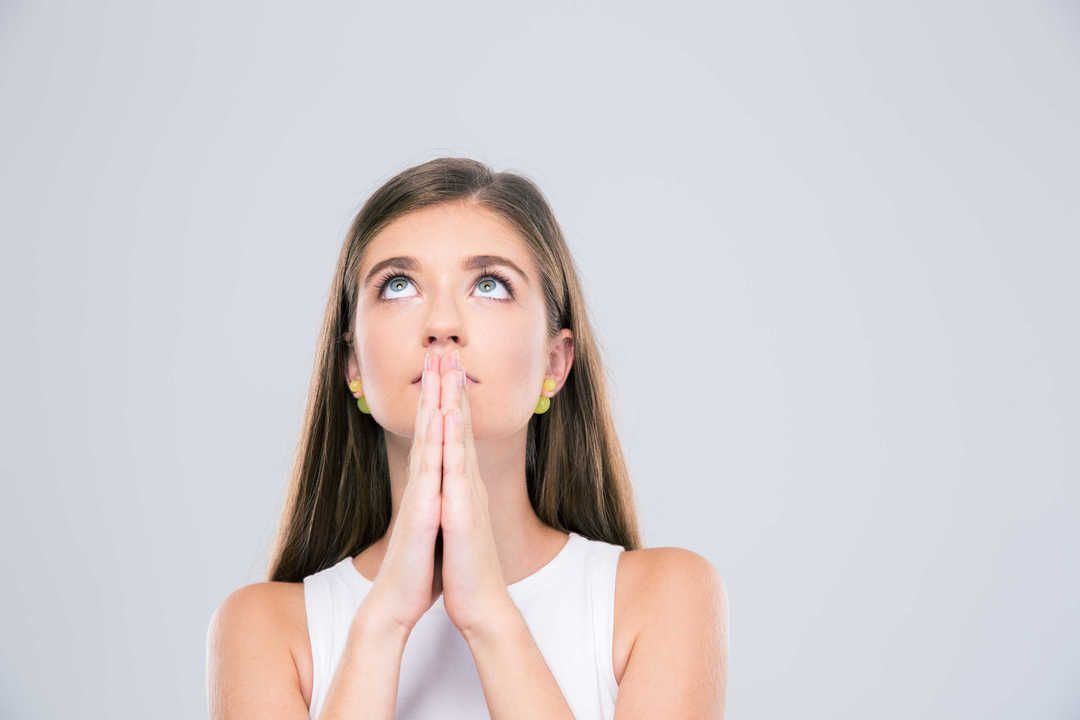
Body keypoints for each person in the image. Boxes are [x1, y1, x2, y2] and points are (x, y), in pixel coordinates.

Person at [206, 157, 729, 719]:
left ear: (555, 361)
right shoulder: (264, 629)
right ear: (353, 364)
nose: (442, 324)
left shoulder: (663, 598)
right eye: (399, 285)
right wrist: (384, 620)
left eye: (489, 284)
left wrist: (487, 612)